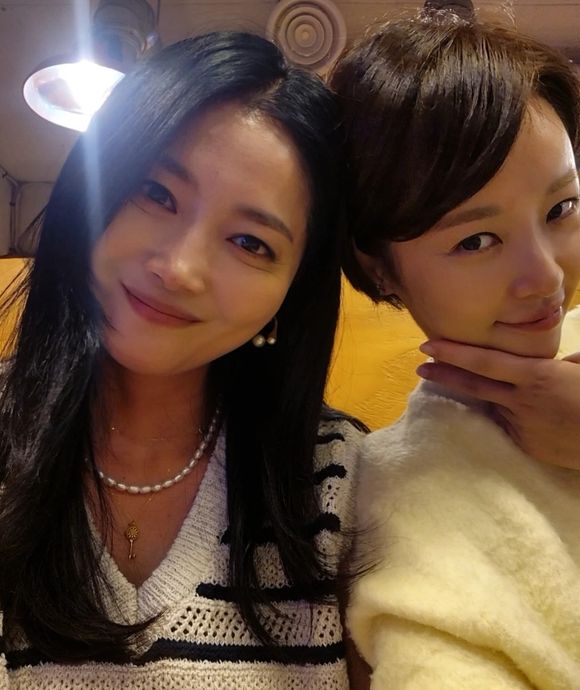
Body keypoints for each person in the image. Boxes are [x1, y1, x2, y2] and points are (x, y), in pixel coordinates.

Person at [0, 30, 363, 688]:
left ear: (292, 292)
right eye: (157, 193)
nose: (180, 268)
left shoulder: (341, 479)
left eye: (250, 243)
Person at [330, 12, 580, 689]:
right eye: (476, 241)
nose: (545, 277)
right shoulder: (400, 508)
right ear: (381, 270)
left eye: (561, 209)